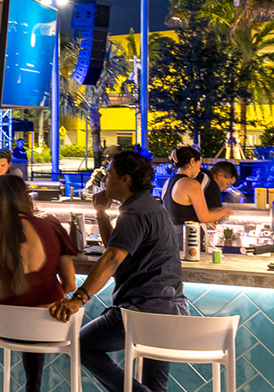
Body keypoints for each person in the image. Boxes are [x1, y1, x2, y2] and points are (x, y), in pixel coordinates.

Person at [50, 151, 189, 392]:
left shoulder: (135, 213)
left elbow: (112, 259)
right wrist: (101, 213)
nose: (105, 180)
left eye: (109, 175)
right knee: (156, 386)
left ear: (126, 179)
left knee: (81, 345)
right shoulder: (147, 207)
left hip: (141, 310)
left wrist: (78, 299)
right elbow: (116, 247)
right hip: (169, 312)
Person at [0, 175, 76, 392]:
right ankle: (33, 385)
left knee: (25, 318)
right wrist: (44, 294)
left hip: (7, 326)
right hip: (50, 325)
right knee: (37, 318)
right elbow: (70, 284)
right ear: (26, 198)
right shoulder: (52, 227)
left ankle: (32, 385)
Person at [163, 147, 231, 250]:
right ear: (192, 162)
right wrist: (224, 211)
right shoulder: (192, 184)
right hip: (189, 239)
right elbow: (204, 217)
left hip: (170, 238)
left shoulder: (168, 182)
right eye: (198, 166)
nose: (199, 170)